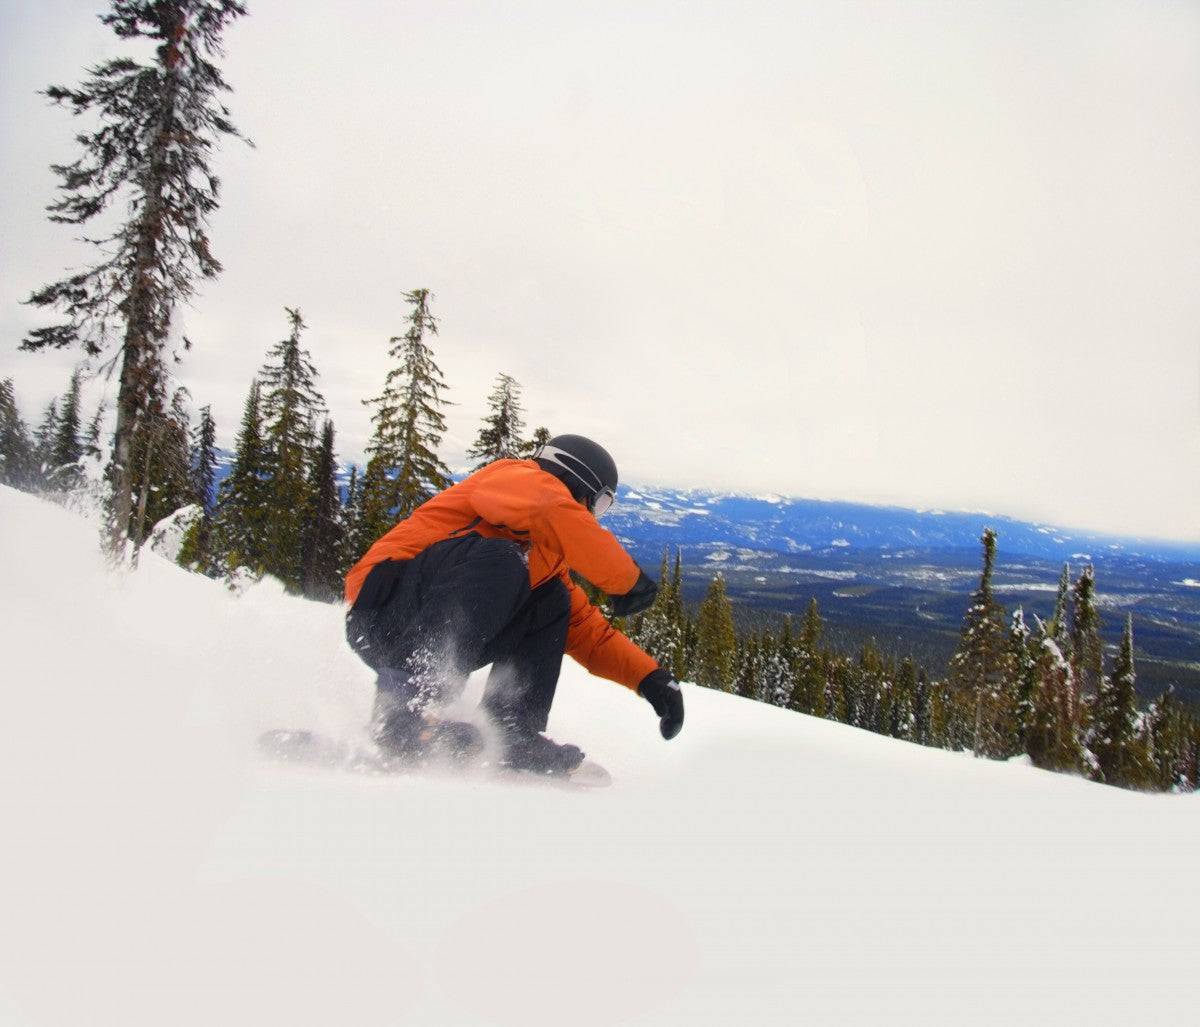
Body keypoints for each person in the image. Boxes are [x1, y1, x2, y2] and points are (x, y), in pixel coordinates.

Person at [344, 434, 685, 775]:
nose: (595, 517)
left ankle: (511, 734)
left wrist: (650, 679)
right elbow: (546, 507)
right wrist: (626, 579)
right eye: (599, 504)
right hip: (381, 609)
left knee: (551, 600)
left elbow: (585, 630)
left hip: (427, 627)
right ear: (575, 480)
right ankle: (401, 715)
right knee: (501, 557)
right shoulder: (513, 476)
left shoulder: (542, 556)